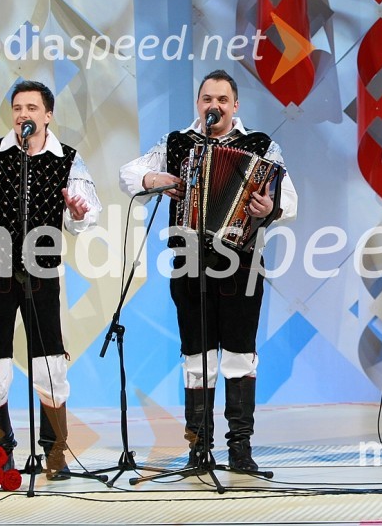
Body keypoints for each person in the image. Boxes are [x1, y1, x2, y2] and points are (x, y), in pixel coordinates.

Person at [119, 69, 298, 472]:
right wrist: (154, 178)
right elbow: (127, 174)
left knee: (239, 354)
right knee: (196, 355)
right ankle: (199, 448)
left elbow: (290, 198)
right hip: (189, 262)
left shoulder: (262, 146)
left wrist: (270, 209)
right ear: (198, 105)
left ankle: (240, 448)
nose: (213, 106)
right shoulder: (177, 143)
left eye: (221, 100)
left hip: (243, 263)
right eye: (206, 99)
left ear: (235, 106)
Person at [0, 80, 102, 479]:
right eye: (17, 108)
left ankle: (55, 453)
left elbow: (86, 215)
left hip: (42, 276)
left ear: (48, 116)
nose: (23, 115)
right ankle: (1, 453)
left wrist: (79, 213)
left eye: (31, 108)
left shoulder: (68, 159)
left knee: (50, 365)